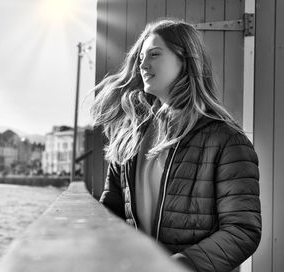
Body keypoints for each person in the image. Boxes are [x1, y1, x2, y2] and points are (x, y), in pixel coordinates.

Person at [90, 19, 261, 272]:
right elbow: (112, 211)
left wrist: (178, 267)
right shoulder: (129, 136)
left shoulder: (226, 140)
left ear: (185, 59)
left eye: (154, 55)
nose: (143, 66)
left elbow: (242, 230)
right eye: (140, 59)